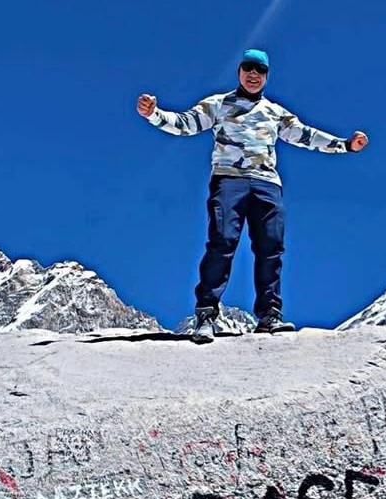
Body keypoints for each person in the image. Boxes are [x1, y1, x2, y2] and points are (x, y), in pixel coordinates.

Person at [137, 49, 369, 343]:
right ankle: (206, 315)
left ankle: (269, 317)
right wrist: (154, 115)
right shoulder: (219, 104)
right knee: (222, 241)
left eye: (260, 70)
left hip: (267, 185)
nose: (253, 74)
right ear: (239, 72)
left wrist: (346, 145)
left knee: (271, 247)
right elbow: (186, 124)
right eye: (248, 68)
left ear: (267, 76)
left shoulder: (276, 113)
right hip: (229, 181)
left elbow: (305, 136)